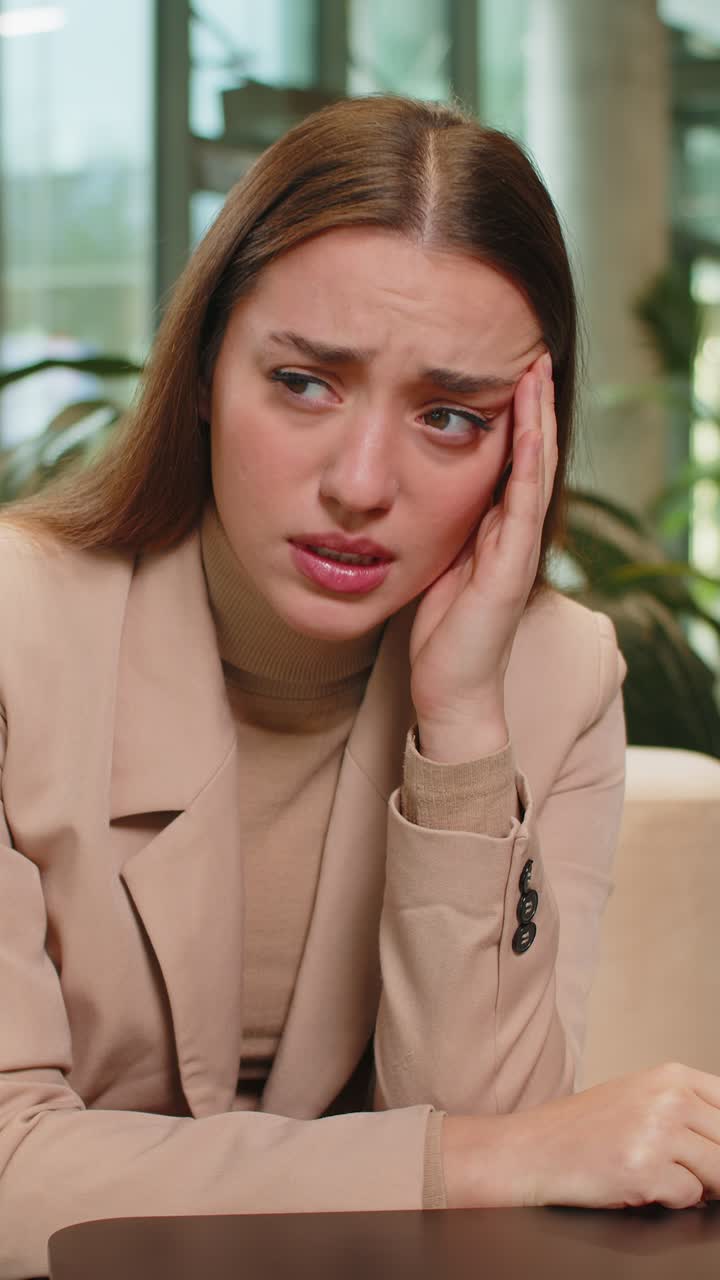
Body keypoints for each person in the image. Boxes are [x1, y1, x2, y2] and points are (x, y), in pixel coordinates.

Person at [0, 94, 716, 1277]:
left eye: (450, 415)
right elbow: (10, 1174)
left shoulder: (558, 672)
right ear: (199, 371)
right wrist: (467, 1164)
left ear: (519, 443)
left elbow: (507, 1200)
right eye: (305, 382)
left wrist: (462, 727)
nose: (363, 483)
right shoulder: (19, 629)